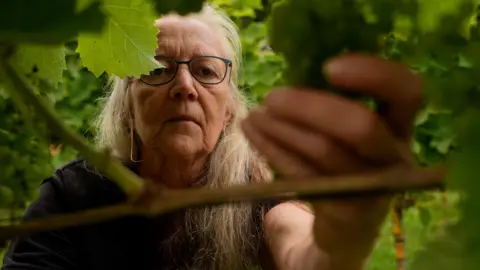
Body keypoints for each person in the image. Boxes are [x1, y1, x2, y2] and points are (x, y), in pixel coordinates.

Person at [2, 3, 421, 270]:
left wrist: (336, 247)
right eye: (158, 68)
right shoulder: (72, 197)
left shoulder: (259, 190)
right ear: (128, 105)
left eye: (205, 71)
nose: (185, 86)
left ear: (228, 112)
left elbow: (300, 247)